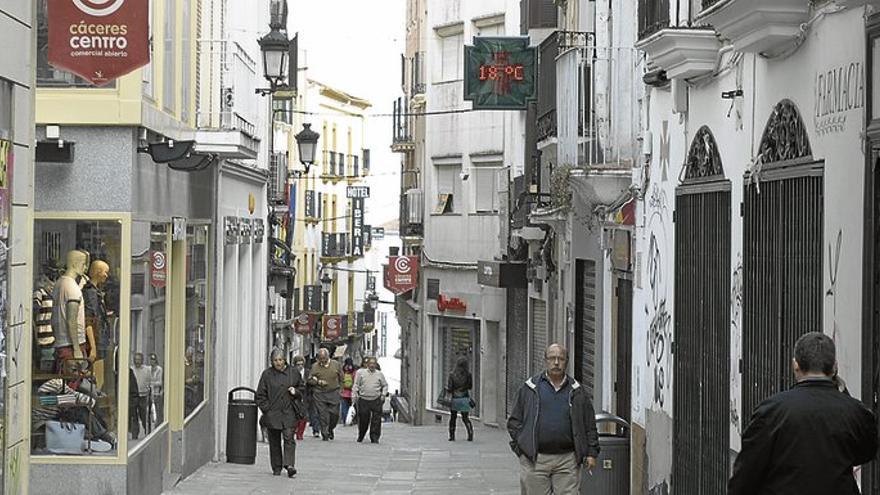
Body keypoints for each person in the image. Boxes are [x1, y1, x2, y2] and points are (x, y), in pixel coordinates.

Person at [728, 332, 878, 494]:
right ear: (834, 367)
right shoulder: (855, 412)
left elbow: (747, 471)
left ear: (795, 365)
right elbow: (866, 452)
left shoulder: (771, 411)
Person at [507, 343, 599, 494]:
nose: (556, 362)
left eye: (560, 359)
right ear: (545, 361)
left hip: (567, 461)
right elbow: (514, 422)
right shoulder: (530, 388)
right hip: (535, 460)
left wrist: (591, 452)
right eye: (552, 358)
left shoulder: (577, 391)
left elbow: (589, 424)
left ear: (567, 361)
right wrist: (522, 448)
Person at [255, 348, 304, 478]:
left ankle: (289, 465)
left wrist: (296, 392)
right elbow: (260, 395)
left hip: (289, 412)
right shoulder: (267, 374)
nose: (278, 363)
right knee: (274, 440)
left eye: (280, 360)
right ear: (272, 361)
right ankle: (277, 466)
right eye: (275, 360)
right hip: (273, 413)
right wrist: (267, 409)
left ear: (285, 360)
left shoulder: (294, 373)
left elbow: (302, 389)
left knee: (289, 437)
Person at [307, 348, 343, 441]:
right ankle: (325, 433)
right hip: (320, 393)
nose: (322, 360)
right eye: (320, 358)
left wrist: (340, 390)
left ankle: (330, 428)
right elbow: (309, 379)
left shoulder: (336, 365)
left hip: (334, 391)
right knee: (323, 414)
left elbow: (341, 378)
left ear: (328, 356)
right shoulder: (315, 366)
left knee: (334, 413)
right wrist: (318, 382)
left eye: (324, 358)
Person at [352, 356, 388, 443]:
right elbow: (356, 385)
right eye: (370, 363)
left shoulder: (379, 374)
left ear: (376, 365)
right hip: (364, 399)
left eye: (374, 364)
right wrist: (354, 395)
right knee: (364, 418)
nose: (372, 365)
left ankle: (374, 437)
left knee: (376, 419)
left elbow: (385, 385)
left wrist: (383, 394)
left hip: (376, 399)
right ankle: (361, 434)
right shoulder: (361, 373)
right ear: (367, 364)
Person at [445, 356, 475, 441]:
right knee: (465, 418)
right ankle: (470, 433)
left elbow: (450, 388)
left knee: (453, 417)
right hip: (465, 397)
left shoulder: (452, 374)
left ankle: (452, 436)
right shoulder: (468, 375)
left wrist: (449, 390)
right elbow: (470, 387)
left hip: (455, 398)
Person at [130, 352, 151, 439]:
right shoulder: (131, 369)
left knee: (144, 415)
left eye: (139, 359)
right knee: (134, 416)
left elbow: (149, 381)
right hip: (134, 396)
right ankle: (135, 434)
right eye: (136, 359)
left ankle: (148, 433)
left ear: (142, 360)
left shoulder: (146, 370)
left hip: (144, 395)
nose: (137, 361)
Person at [291, 355, 308, 440]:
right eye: (298, 364)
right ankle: (295, 430)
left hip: (305, 397)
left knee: (304, 415)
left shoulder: (307, 373)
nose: (300, 366)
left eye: (301, 364)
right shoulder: (291, 373)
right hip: (294, 396)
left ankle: (300, 434)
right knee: (295, 415)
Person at [340, 357, 356, 426]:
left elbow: (340, 380)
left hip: (343, 392)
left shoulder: (343, 370)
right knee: (351, 408)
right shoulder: (353, 371)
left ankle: (345, 420)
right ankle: (351, 420)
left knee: (344, 408)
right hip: (351, 393)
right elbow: (355, 381)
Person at [149, 353, 164, 425]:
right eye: (151, 359)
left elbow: (159, 382)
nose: (152, 361)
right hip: (149, 393)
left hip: (156, 393)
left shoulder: (159, 369)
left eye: (153, 359)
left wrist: (152, 384)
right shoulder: (148, 369)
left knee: (156, 410)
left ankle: (157, 424)